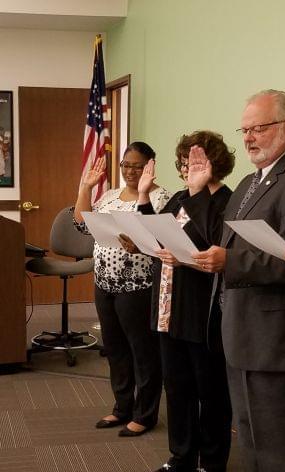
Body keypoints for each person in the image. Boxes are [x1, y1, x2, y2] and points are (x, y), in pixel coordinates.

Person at [193, 90, 285, 471]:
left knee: (284, 451)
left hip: (282, 343)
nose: (249, 137)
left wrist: (230, 262)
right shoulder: (248, 183)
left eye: (259, 128)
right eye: (245, 129)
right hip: (244, 334)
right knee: (253, 444)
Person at [132, 131, 235, 472]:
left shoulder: (225, 201)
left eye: (195, 162)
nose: (186, 168)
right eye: (184, 162)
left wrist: (197, 191)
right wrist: (144, 197)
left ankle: (212, 461)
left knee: (211, 393)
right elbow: (155, 237)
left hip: (201, 314)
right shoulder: (179, 197)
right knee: (176, 389)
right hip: (168, 309)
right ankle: (182, 456)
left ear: (214, 163)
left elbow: (214, 244)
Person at [74, 142, 171, 437]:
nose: (130, 171)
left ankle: (145, 414)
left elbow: (160, 240)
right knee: (115, 349)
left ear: (150, 166)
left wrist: (139, 242)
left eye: (137, 165)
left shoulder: (161, 196)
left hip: (137, 286)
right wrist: (85, 188)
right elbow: (82, 225)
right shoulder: (109, 195)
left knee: (142, 351)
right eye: (126, 165)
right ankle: (122, 407)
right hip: (104, 281)